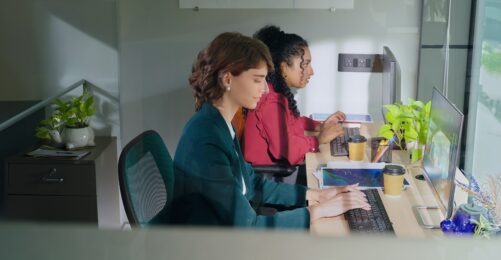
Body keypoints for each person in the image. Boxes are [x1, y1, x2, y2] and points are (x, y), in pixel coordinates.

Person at [173, 32, 370, 229]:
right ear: (227, 79)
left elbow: (252, 184)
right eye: (258, 80)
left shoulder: (220, 124)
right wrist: (319, 210)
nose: (265, 89)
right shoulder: (207, 138)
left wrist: (314, 195)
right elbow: (249, 227)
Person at [242, 25, 346, 167]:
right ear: (284, 67)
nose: (311, 71)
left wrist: (320, 127)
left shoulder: (274, 91)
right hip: (270, 175)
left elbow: (294, 123)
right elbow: (286, 150)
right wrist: (318, 139)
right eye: (305, 64)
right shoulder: (271, 102)